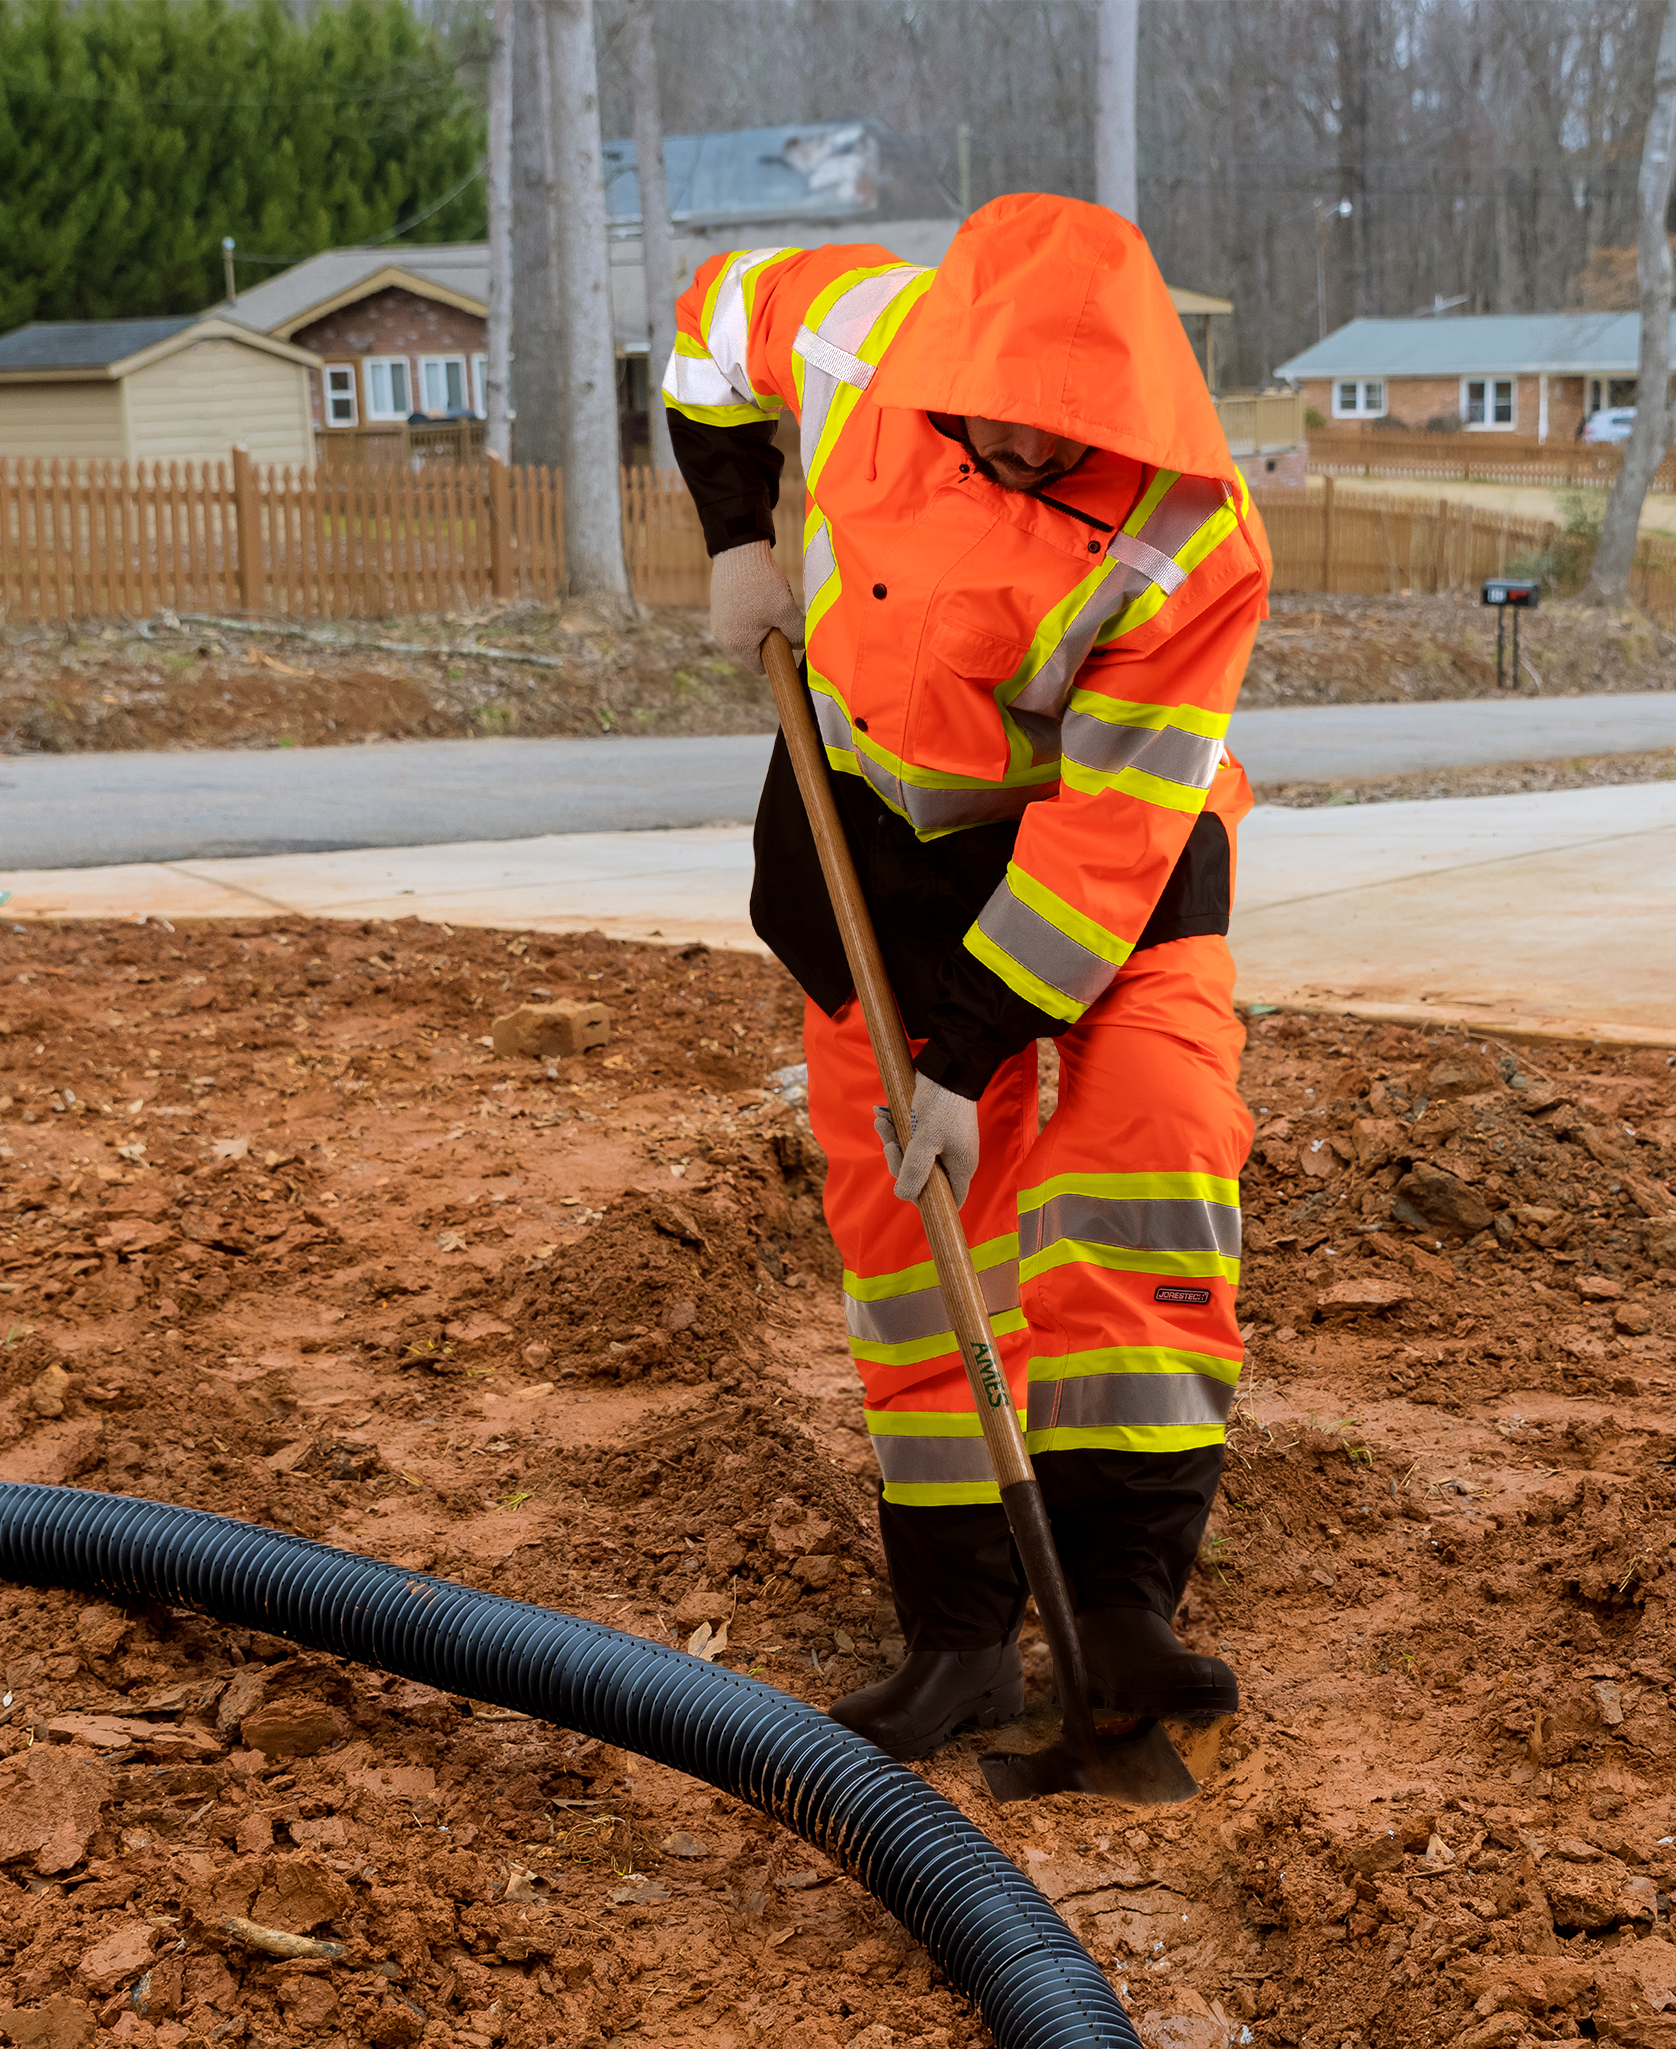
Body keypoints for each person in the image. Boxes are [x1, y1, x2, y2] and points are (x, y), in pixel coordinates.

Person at [661, 193, 1270, 1761]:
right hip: (874, 821)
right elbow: (710, 328)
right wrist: (742, 538)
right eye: (988, 426)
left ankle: (1123, 1597)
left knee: (1153, 1136)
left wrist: (974, 1055)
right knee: (908, 1224)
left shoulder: (1192, 538)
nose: (1014, 456)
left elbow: (1108, 843)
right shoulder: (865, 329)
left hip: (1096, 836)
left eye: (1054, 440)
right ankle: (957, 1633)